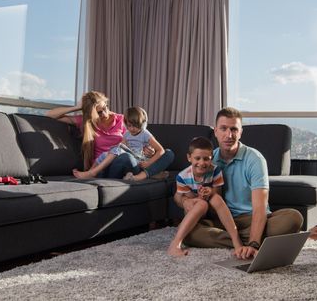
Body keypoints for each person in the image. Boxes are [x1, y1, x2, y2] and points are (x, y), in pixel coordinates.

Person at [183, 107, 304, 260]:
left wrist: (253, 244)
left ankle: (249, 239)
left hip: (252, 218)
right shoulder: (207, 159)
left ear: (240, 132)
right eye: (224, 129)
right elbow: (185, 190)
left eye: (234, 129)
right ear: (215, 132)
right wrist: (185, 201)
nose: (229, 135)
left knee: (293, 218)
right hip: (222, 220)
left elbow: (259, 209)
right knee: (188, 231)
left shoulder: (255, 159)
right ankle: (244, 240)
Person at [46, 91, 164, 179]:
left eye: (105, 107)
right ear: (91, 113)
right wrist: (77, 107)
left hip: (123, 163)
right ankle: (149, 174)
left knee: (126, 158)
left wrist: (148, 150)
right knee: (124, 157)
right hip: (101, 169)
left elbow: (138, 138)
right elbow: (50, 115)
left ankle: (144, 175)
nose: (105, 113)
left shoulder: (122, 120)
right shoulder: (86, 122)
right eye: (99, 112)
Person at [168, 137, 243, 256]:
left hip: (212, 210)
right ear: (189, 158)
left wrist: (210, 191)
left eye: (206, 159)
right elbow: (189, 200)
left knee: (216, 198)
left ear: (211, 158)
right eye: (197, 158)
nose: (202, 163)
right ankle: (175, 243)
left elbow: (218, 193)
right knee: (201, 204)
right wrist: (199, 198)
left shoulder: (216, 171)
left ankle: (236, 239)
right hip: (195, 210)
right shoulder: (182, 177)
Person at [73, 106, 173, 181]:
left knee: (169, 153)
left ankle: (143, 175)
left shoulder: (145, 134)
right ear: (125, 124)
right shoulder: (126, 133)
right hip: (130, 160)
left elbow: (161, 150)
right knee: (114, 152)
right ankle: (91, 171)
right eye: (129, 125)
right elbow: (122, 146)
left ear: (143, 124)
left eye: (136, 126)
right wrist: (122, 148)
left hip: (141, 161)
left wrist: (149, 162)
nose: (132, 129)